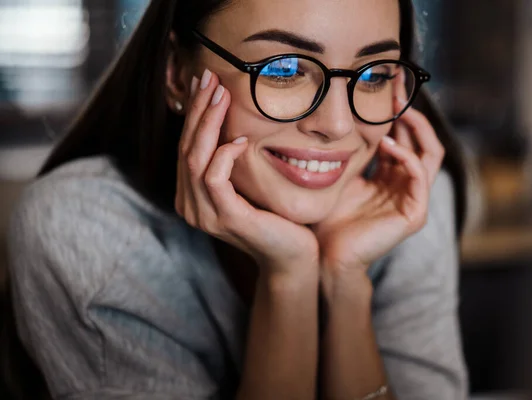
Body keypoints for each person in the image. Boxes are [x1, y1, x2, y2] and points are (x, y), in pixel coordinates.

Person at [6, 0, 468, 398]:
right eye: (284, 69)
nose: (338, 125)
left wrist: (346, 282)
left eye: (374, 74)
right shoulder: (84, 230)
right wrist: (288, 277)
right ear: (176, 74)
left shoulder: (406, 201)